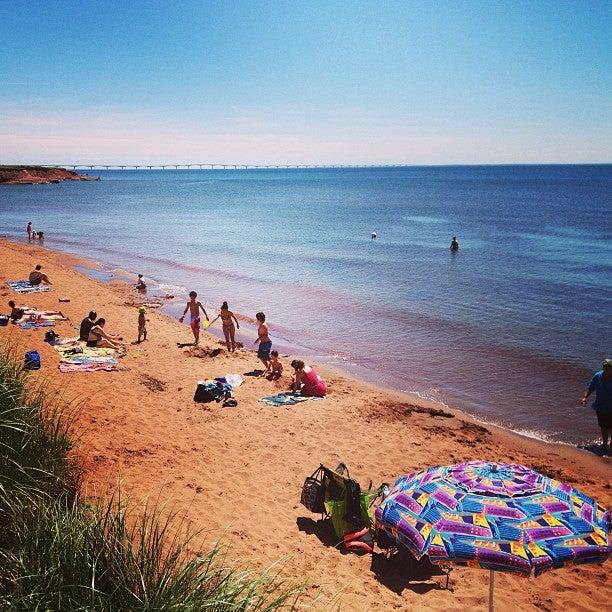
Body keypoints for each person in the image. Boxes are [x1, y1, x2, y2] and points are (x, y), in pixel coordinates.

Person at [581, 359, 612, 455]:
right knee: (603, 426)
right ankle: (605, 444)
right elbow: (590, 387)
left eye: (609, 367)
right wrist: (585, 397)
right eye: (605, 366)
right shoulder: (598, 376)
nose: (607, 368)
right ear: (603, 367)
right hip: (600, 406)